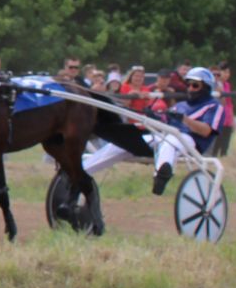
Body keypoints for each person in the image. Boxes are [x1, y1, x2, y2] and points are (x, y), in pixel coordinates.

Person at [82, 66, 223, 195]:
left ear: (206, 87)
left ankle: (161, 177)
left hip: (189, 141)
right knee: (121, 144)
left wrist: (185, 119)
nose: (190, 88)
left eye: (195, 85)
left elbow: (206, 131)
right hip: (164, 137)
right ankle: (81, 171)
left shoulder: (213, 106)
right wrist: (152, 115)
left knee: (172, 139)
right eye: (189, 84)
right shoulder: (181, 105)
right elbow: (163, 120)